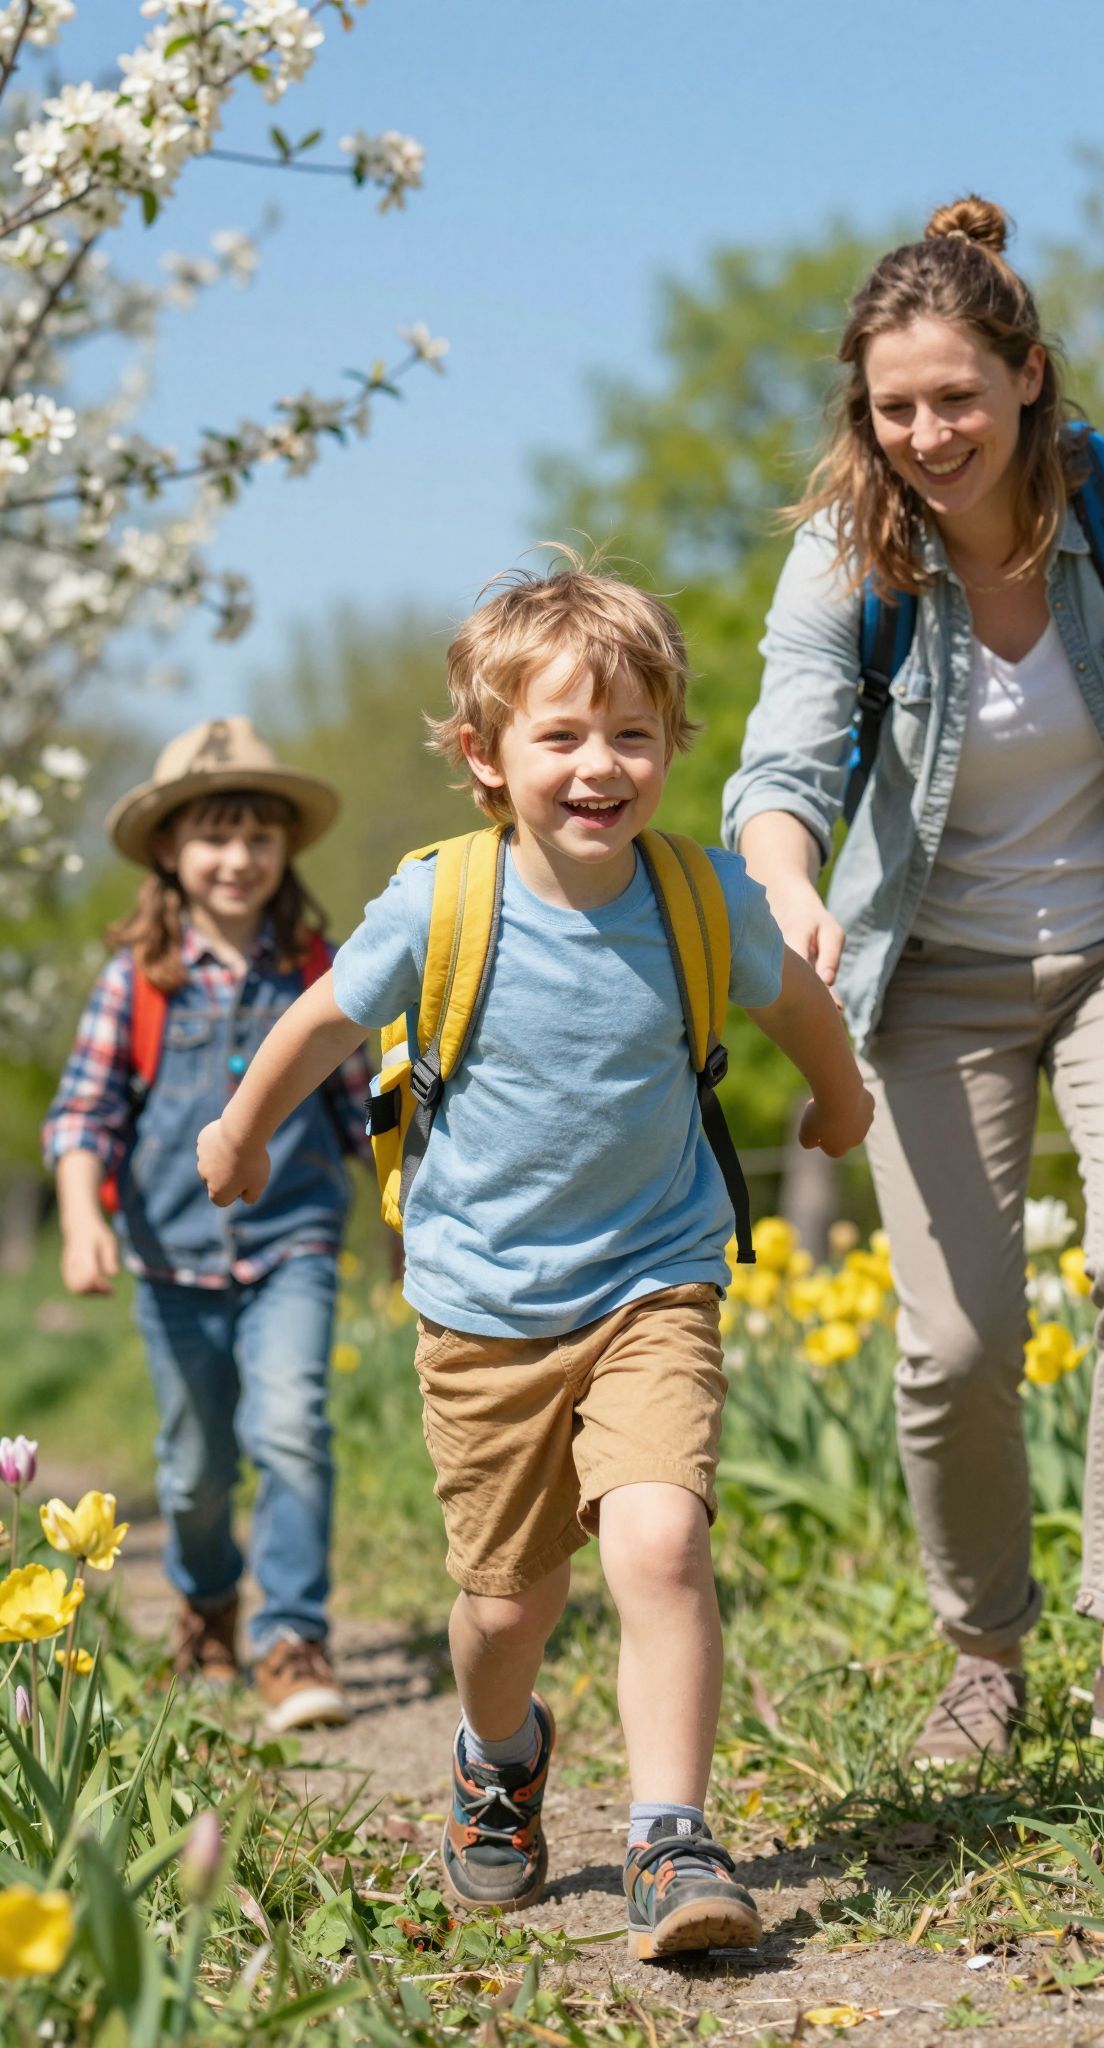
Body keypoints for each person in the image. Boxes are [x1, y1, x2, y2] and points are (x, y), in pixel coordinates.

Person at [197, 561, 873, 1957]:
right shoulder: (443, 904)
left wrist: (843, 1098)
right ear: (485, 758)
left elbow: (797, 997)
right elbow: (325, 1021)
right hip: (483, 1304)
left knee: (663, 1541)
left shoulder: (697, 896)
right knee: (508, 1606)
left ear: (672, 745)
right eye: (559, 735)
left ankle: (671, 1838)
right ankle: (499, 1756)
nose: (600, 764)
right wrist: (243, 1128)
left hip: (654, 1278)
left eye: (632, 732)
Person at [723, 194, 1104, 1763]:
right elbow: (786, 752)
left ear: (1028, 373)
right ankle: (985, 1655)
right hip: (932, 975)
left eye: (958, 396)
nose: (928, 432)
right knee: (956, 1345)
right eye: (895, 407)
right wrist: (784, 881)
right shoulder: (857, 559)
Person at [44, 716, 374, 1732]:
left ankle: (290, 1635)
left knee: (291, 1428)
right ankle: (206, 1603)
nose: (238, 859)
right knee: (193, 1464)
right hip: (172, 1256)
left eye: (259, 838)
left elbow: (365, 1109)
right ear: (170, 855)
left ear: (286, 851)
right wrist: (80, 1217)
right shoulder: (137, 980)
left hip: (295, 1242)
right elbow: (83, 1112)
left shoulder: (323, 971)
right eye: (214, 838)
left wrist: (413, 1220)